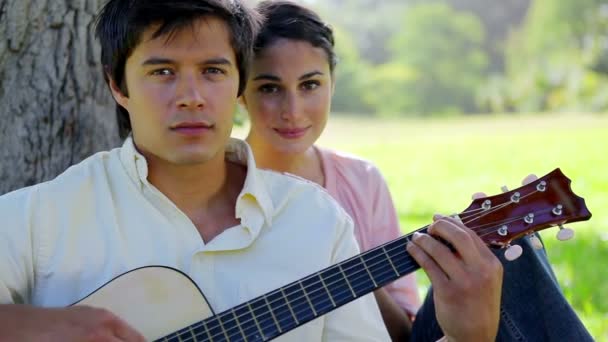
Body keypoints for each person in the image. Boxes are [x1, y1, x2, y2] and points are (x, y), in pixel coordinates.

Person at [0, 0, 504, 341]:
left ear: (237, 81)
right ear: (118, 85)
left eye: (213, 71)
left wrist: (470, 337)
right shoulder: (41, 218)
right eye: (162, 72)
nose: (192, 96)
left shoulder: (317, 223)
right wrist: (34, 327)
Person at [240, 1, 594, 341]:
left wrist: (341, 262)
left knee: (505, 252)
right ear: (239, 92)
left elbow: (400, 335)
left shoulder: (362, 180)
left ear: (332, 83)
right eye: (270, 88)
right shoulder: (217, 184)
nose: (293, 109)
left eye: (310, 85)